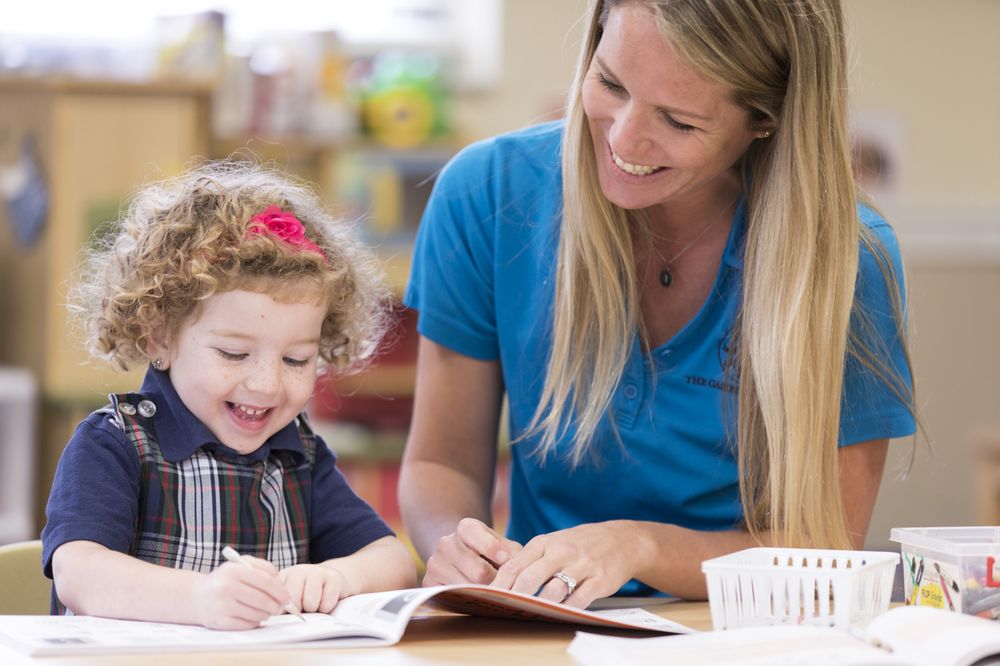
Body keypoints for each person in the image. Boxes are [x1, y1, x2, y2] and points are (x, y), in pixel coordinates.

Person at [399, 0, 916, 608]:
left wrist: (639, 546)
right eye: (610, 82)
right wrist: (457, 549)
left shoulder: (846, 259)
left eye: (678, 120)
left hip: (742, 634)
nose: (622, 138)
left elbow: (825, 548)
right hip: (543, 629)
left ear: (766, 120)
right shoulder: (486, 193)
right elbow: (442, 463)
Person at [42, 162, 416, 629]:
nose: (266, 384)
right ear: (160, 337)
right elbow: (78, 572)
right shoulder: (115, 443)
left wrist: (340, 575)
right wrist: (199, 599)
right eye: (235, 353)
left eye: (296, 360)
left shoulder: (296, 456)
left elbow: (395, 560)